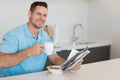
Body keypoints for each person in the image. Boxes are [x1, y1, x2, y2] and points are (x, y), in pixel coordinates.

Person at [0, 1, 83, 77]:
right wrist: (28, 52)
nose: (42, 18)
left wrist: (69, 65)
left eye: (44, 15)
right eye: (38, 14)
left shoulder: (45, 36)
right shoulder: (14, 35)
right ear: (30, 14)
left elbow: (54, 57)